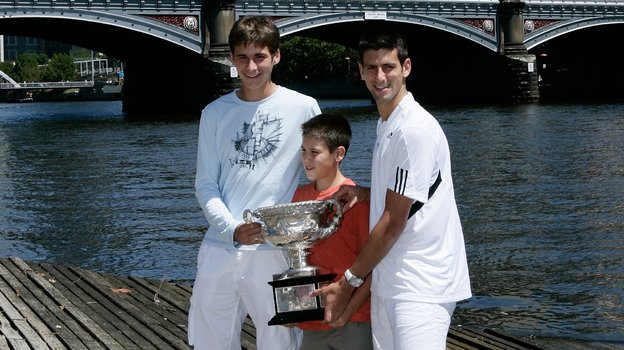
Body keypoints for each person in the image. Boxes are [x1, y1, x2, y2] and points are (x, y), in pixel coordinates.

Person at [314, 25, 472, 350]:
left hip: (420, 287)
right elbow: (413, 197)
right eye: (371, 68)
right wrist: (365, 194)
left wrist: (348, 282)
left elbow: (394, 221)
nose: (380, 76)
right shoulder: (387, 122)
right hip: (392, 280)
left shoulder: (412, 130)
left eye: (388, 67)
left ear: (406, 68)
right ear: (360, 71)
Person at [187, 15, 321, 350]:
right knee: (208, 342)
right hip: (221, 247)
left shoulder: (305, 108)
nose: (251, 67)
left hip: (280, 254)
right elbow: (205, 184)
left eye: (260, 57)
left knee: (282, 343)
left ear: (276, 56)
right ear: (232, 58)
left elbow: (322, 177)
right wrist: (231, 228)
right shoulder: (214, 112)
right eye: (243, 57)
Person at [292, 113, 373, 350]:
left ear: (339, 154)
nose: (306, 159)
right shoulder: (299, 197)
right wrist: (294, 308)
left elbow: (374, 265)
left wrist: (348, 311)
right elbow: (300, 260)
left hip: (355, 317)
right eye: (303, 150)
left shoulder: (357, 200)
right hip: (314, 320)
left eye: (314, 152)